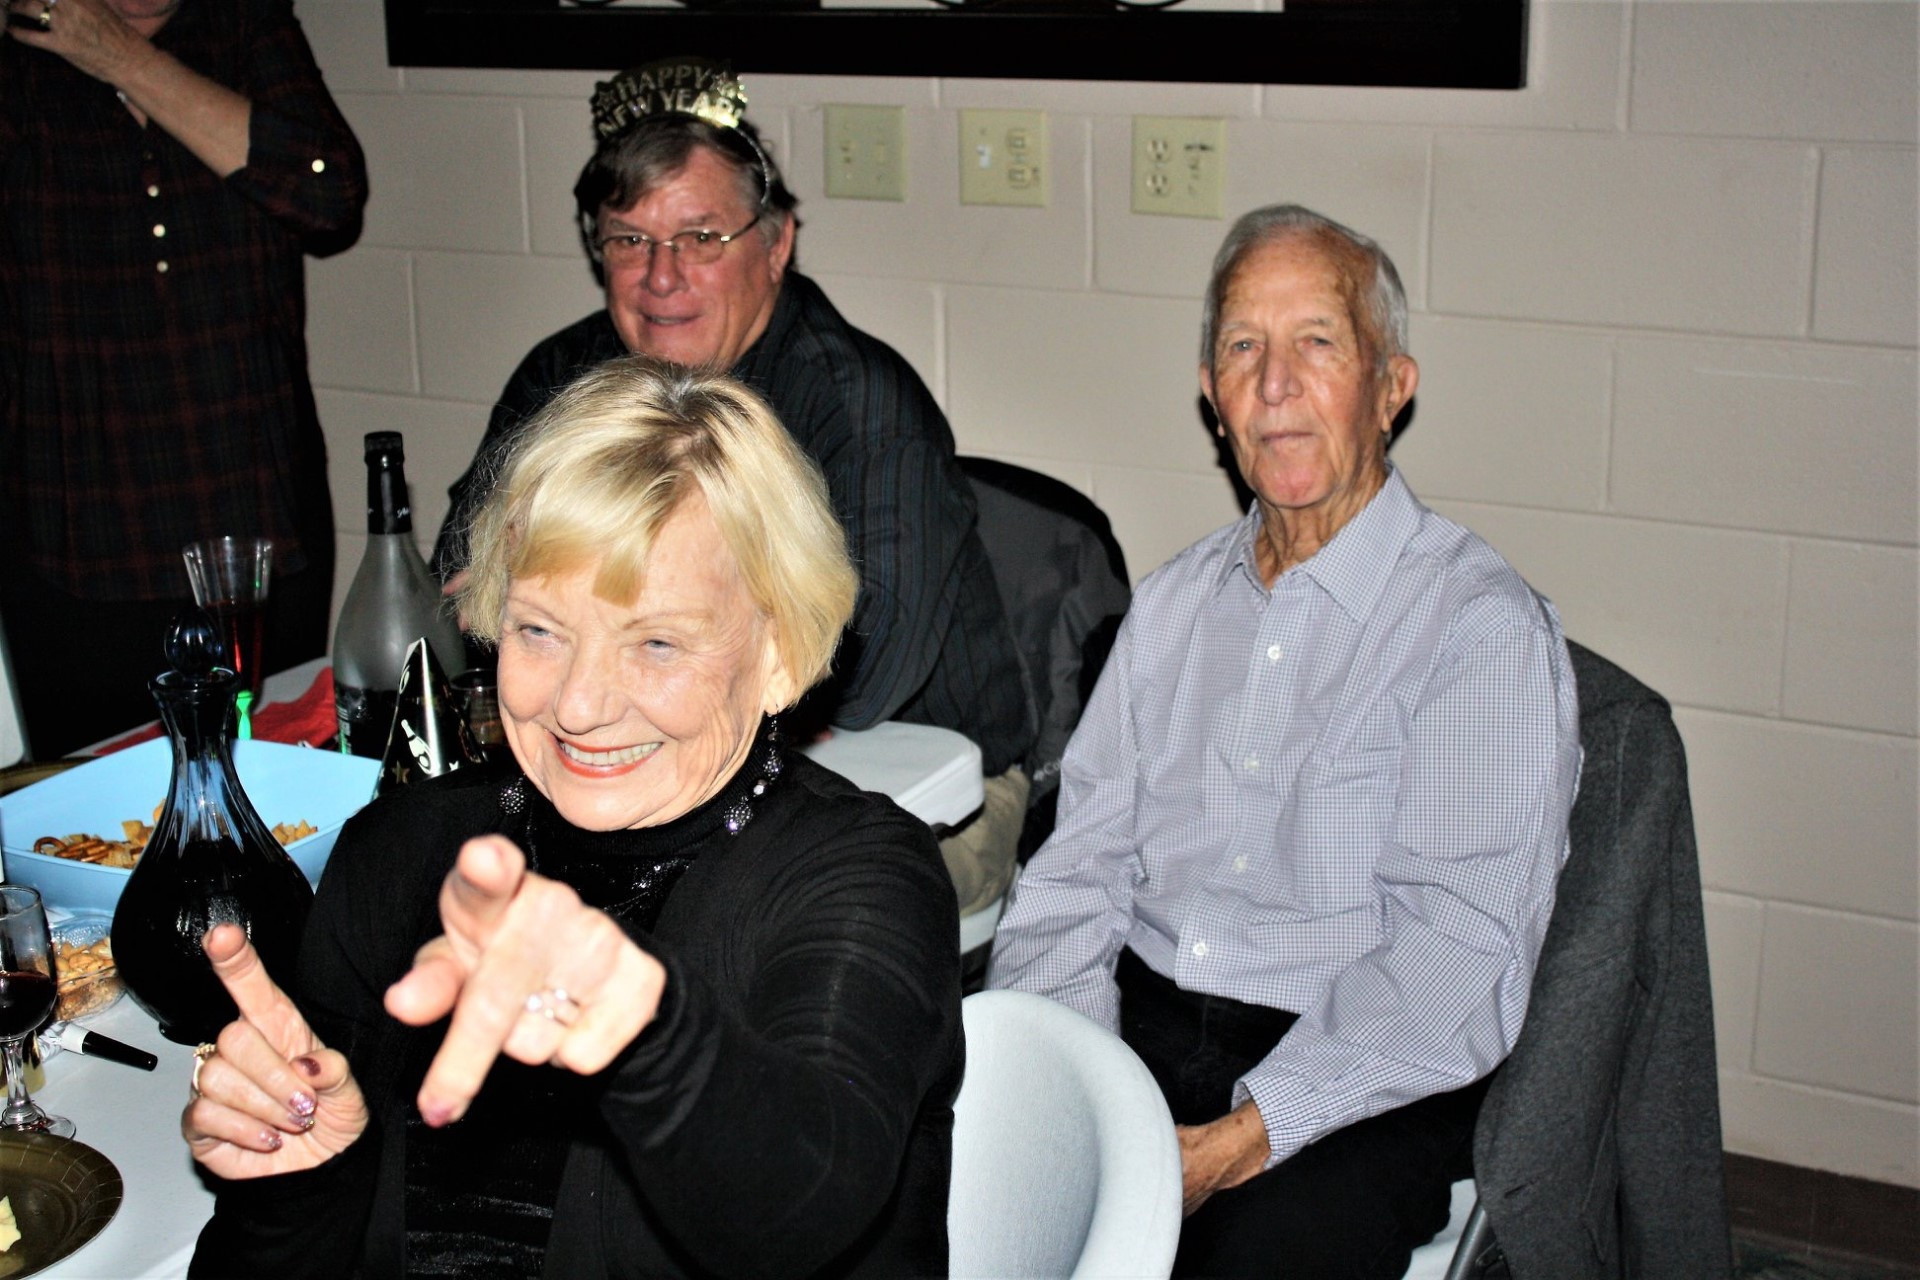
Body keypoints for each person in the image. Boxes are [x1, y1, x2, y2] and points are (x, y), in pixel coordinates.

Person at [181, 359, 963, 1279]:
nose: (579, 706)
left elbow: (803, 1202)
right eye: (539, 630)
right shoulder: (399, 850)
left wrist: (649, 1034)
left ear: (780, 656)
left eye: (657, 642)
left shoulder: (862, 879)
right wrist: (304, 1178)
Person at [987, 204, 1583, 1278]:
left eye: (1317, 341)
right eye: (1242, 347)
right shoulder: (1171, 608)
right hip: (1140, 1014)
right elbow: (1076, 876)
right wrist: (1081, 1082)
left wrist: (1239, 1138)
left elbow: (1452, 957)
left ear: (1391, 387)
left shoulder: (1478, 631)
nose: (1274, 384)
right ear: (1212, 398)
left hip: (1359, 1061)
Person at [431, 57, 1032, 917]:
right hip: (646, 753)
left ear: (776, 244)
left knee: (693, 923)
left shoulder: (863, 405)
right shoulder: (564, 377)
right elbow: (461, 577)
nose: (662, 275)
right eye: (629, 241)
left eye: (701, 239)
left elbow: (861, 671)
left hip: (926, 792)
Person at [0, 0, 365, 758]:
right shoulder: (20, 47)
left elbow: (329, 195)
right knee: (98, 805)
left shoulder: (243, 23)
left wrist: (120, 57)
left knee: (271, 783)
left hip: (257, 522)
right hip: (76, 533)